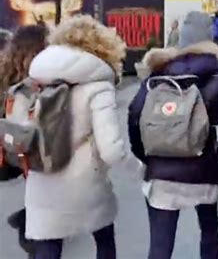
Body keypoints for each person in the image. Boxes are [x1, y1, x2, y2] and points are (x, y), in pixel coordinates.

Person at [128, 11, 218, 259]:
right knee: (209, 231)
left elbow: (135, 116)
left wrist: (147, 156)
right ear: (210, 38)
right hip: (204, 166)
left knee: (160, 245)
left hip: (161, 172)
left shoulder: (156, 75)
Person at [20, 15, 143, 259]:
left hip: (41, 177)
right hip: (85, 184)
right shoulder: (98, 86)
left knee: (48, 242)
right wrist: (139, 169)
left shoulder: (36, 80)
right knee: (103, 238)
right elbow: (111, 150)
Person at [0, 25, 48, 257]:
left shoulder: (5, 72)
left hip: (10, 149)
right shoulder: (37, 78)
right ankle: (28, 226)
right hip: (27, 147)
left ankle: (29, 224)